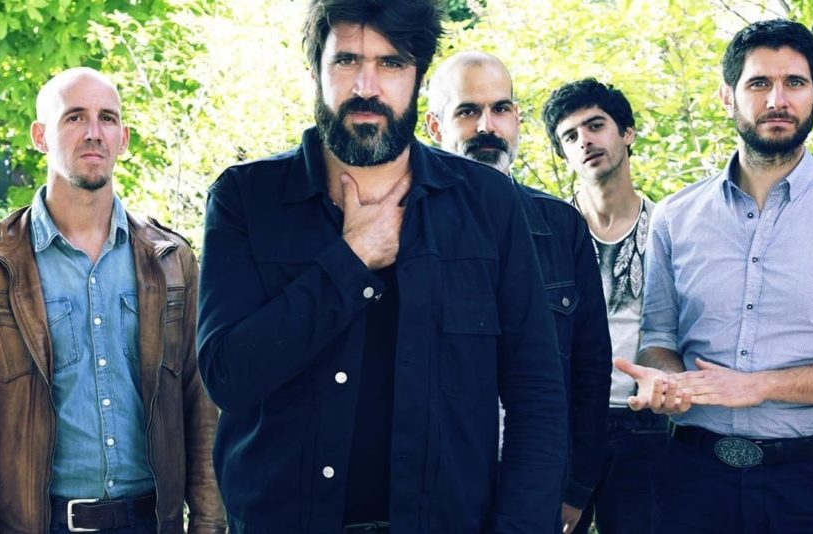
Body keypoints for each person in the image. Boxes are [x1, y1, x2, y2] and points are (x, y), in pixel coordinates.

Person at [195, 1, 568, 532]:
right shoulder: (246, 198)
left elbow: (537, 394)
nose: (366, 86)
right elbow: (227, 378)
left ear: (418, 78)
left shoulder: (487, 202)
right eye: (347, 60)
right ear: (316, 71)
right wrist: (351, 261)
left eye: (391, 63)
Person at [617, 19, 813, 532]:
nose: (777, 100)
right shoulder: (675, 216)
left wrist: (760, 386)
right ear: (727, 97)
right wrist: (668, 382)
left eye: (794, 83)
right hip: (693, 482)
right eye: (759, 83)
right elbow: (659, 340)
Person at [0, 67, 226, 533]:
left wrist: (209, 525)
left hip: (152, 522)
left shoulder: (172, 262)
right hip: (41, 524)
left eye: (107, 118)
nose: (94, 132)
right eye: (74, 117)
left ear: (123, 138)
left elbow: (203, 411)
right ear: (40, 136)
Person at [425, 52, 612, 534]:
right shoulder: (407, 227)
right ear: (434, 126)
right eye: (468, 111)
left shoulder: (561, 225)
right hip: (435, 492)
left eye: (501, 109)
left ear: (517, 120)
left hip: (538, 487)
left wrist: (576, 487)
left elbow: (590, 367)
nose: (487, 126)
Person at [540, 78, 668, 534]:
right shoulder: (548, 233)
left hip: (643, 422)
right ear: (563, 154)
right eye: (570, 136)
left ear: (627, 132)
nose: (585, 141)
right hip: (566, 422)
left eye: (595, 126)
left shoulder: (669, 228)